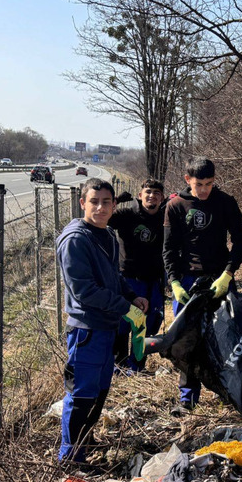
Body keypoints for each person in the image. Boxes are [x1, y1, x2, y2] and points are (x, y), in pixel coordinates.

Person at [56, 178, 147, 465]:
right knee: (82, 395)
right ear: (82, 203)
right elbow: (84, 291)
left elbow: (113, 277)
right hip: (87, 331)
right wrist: (125, 309)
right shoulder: (76, 240)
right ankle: (70, 458)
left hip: (107, 328)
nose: (100, 207)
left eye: (106, 202)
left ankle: (86, 440)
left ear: (114, 205)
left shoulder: (107, 235)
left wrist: (132, 296)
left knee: (100, 391)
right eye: (94, 201)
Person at [162, 156, 242, 411]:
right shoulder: (175, 205)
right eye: (199, 184)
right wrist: (174, 282)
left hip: (219, 278)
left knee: (228, 337)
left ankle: (231, 392)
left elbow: (240, 242)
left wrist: (228, 274)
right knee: (188, 341)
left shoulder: (226, 202)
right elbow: (168, 249)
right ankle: (187, 398)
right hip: (188, 280)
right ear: (188, 180)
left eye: (209, 184)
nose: (204, 190)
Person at [109, 178, 166, 372]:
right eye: (148, 192)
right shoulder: (127, 215)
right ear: (140, 195)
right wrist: (115, 200)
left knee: (146, 326)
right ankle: (119, 365)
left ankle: (137, 366)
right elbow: (102, 216)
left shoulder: (165, 218)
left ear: (162, 198)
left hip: (153, 281)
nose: (152, 196)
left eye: (157, 193)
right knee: (123, 325)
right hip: (128, 279)